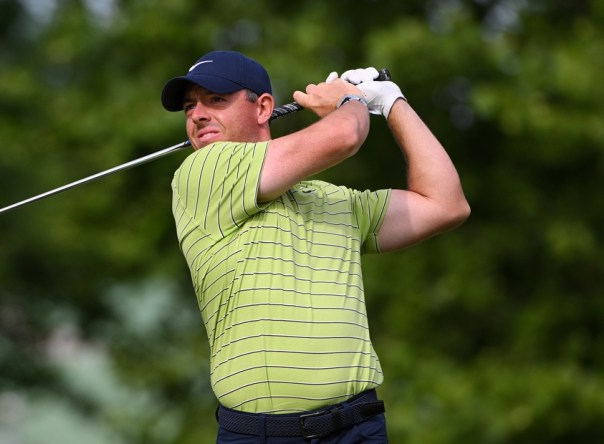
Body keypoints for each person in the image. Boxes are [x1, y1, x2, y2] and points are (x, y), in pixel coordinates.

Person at [160, 50, 470, 443]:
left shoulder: (334, 200)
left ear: (264, 109)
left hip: (358, 427)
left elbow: (446, 204)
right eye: (189, 107)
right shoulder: (200, 173)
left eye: (216, 100)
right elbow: (344, 135)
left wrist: (393, 102)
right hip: (262, 435)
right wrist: (351, 101)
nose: (197, 114)